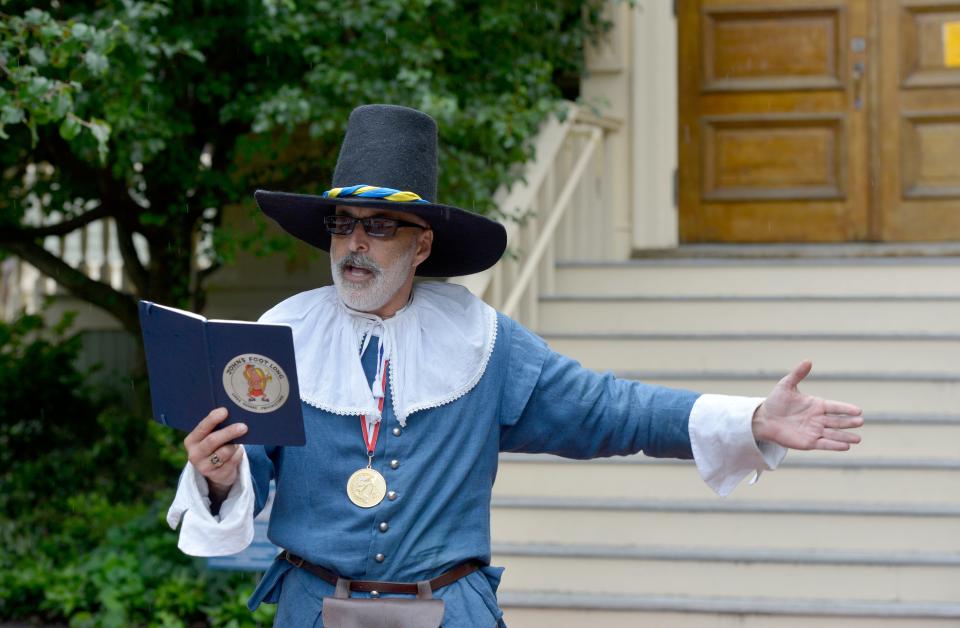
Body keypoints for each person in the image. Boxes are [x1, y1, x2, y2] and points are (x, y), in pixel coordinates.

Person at [167, 104, 863, 627]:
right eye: (343, 224)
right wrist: (220, 477)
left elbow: (608, 409)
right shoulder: (282, 334)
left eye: (378, 228)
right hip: (312, 609)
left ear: (421, 244)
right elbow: (242, 467)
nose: (354, 243)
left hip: (449, 611)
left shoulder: (480, 340)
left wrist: (751, 418)